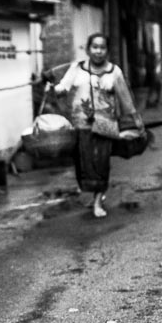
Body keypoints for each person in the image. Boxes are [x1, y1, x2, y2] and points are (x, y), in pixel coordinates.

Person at [47, 33, 143, 219]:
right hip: (81, 124)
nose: (98, 51)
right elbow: (63, 87)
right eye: (95, 47)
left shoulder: (114, 72)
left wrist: (135, 121)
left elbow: (125, 98)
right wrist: (54, 88)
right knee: (84, 164)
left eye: (102, 47)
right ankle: (95, 194)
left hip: (105, 125)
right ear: (88, 49)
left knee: (101, 163)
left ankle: (98, 200)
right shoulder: (76, 68)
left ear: (107, 50)